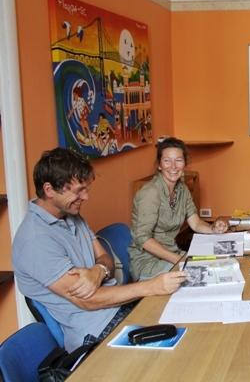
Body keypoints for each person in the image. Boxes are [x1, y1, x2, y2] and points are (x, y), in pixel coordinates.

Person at [12, 148, 186, 352]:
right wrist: (151, 287)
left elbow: (105, 257)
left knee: (185, 316)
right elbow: (89, 301)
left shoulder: (70, 214)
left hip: (119, 306)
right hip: (97, 329)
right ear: (49, 190)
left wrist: (98, 270)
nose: (86, 197)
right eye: (79, 191)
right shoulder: (35, 240)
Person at [129, 137, 228, 281]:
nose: (173, 166)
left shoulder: (182, 189)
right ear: (159, 165)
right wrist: (179, 260)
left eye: (178, 160)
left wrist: (213, 229)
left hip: (172, 254)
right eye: (167, 161)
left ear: (184, 163)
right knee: (201, 277)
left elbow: (195, 223)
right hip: (148, 262)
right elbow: (143, 239)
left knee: (218, 267)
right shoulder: (150, 193)